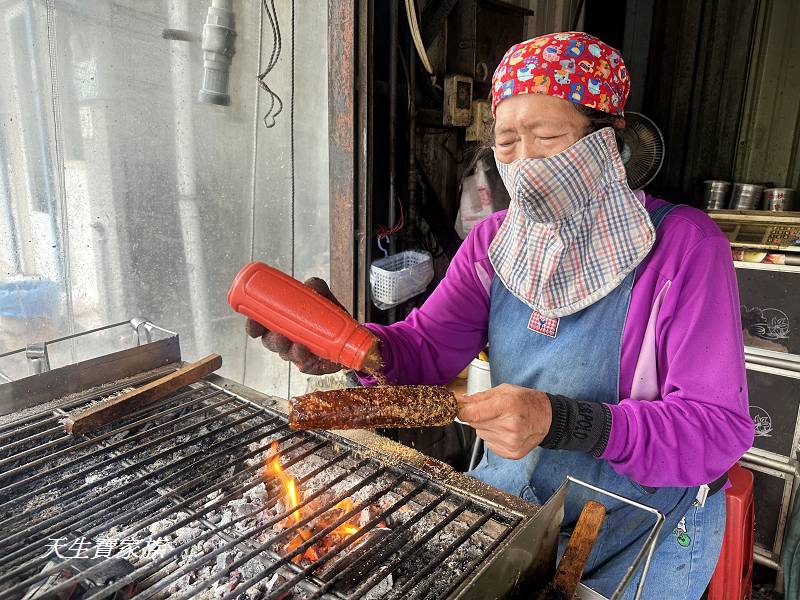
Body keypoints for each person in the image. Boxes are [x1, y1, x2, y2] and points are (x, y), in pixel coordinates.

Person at [247, 31, 754, 599]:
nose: (525, 162)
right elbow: (426, 349)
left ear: (611, 141)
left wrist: (562, 420)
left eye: (547, 136)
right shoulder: (494, 243)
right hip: (518, 505)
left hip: (639, 529)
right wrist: (351, 343)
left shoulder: (683, 248)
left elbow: (717, 430)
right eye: (508, 141)